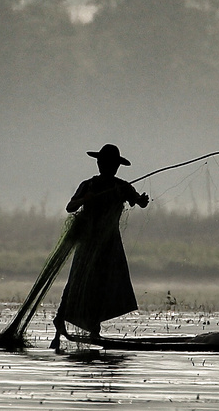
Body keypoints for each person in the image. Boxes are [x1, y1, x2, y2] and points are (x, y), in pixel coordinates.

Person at [52, 144, 149, 347]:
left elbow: (137, 200)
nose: (108, 167)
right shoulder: (89, 186)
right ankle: (60, 320)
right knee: (77, 280)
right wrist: (83, 200)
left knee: (104, 283)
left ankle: (94, 329)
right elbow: (70, 207)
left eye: (112, 164)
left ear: (116, 167)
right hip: (88, 243)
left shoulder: (121, 187)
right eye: (105, 163)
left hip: (110, 245)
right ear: (99, 163)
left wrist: (141, 200)